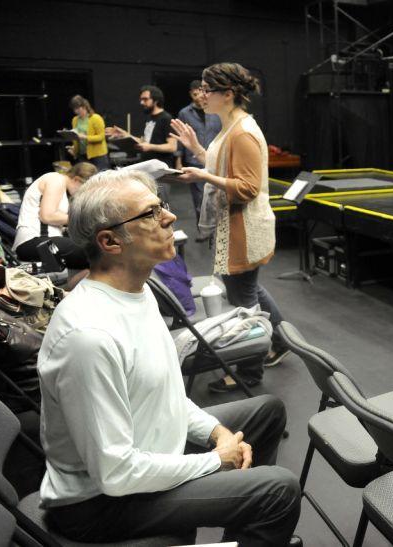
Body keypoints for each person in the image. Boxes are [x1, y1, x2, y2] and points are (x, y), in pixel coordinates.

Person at [37, 169, 301, 546]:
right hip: (100, 504)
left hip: (146, 453)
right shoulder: (88, 338)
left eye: (160, 205)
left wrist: (217, 434)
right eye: (150, 214)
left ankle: (242, 524)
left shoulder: (137, 291)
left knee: (267, 411)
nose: (170, 216)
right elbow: (116, 474)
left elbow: (167, 397)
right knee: (278, 490)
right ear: (110, 241)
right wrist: (216, 459)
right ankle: (252, 505)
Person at [171, 63, 290, 392]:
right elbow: (222, 162)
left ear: (229, 94)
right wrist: (197, 149)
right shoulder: (230, 126)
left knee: (244, 300)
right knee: (249, 290)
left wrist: (202, 176)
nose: (202, 95)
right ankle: (281, 340)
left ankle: (250, 371)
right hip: (237, 226)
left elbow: (248, 188)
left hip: (245, 228)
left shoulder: (243, 132)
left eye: (208, 89)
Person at [12, 162, 97, 269]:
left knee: (93, 251)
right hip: (35, 241)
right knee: (91, 251)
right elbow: (47, 216)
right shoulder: (56, 179)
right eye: (84, 189)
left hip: (45, 241)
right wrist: (84, 221)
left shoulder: (63, 188)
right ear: (76, 179)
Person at [106, 85, 177, 201]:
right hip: (148, 169)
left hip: (160, 170)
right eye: (141, 99)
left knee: (161, 205)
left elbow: (172, 147)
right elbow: (145, 142)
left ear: (156, 100)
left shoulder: (166, 118)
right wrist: (125, 135)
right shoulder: (150, 118)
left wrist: (149, 146)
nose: (141, 102)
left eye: (145, 99)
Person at [176, 80, 221, 225]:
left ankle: (217, 225)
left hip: (214, 158)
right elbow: (180, 138)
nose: (198, 97)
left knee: (216, 194)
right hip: (193, 159)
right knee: (199, 197)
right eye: (195, 94)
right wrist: (178, 160)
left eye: (201, 93)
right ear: (191, 94)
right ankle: (202, 227)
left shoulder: (214, 111)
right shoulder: (184, 113)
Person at [68, 95, 110, 171]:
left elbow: (101, 137)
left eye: (78, 108)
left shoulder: (95, 118)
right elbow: (77, 138)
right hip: (83, 155)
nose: (76, 111)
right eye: (74, 109)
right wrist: (74, 149)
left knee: (100, 178)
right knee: (85, 179)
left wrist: (85, 137)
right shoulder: (75, 120)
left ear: (84, 106)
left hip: (98, 155)